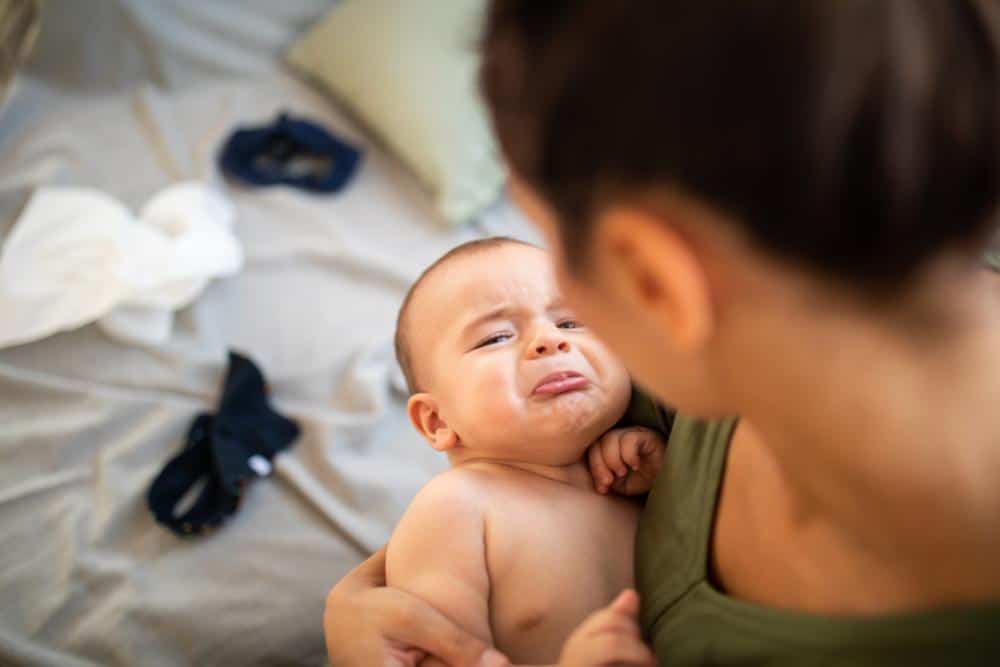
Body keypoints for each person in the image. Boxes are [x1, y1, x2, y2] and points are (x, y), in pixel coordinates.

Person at [325, 1, 1000, 665]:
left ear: (657, 281)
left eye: (557, 264)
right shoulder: (686, 372)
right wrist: (373, 598)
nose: (552, 339)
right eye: (497, 333)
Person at [385, 237, 665, 666]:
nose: (549, 341)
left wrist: (664, 484)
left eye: (571, 322)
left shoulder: (634, 479)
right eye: (496, 337)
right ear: (437, 421)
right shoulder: (455, 510)